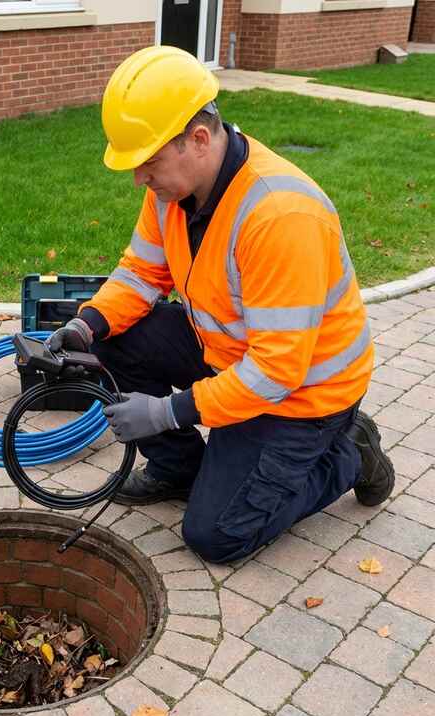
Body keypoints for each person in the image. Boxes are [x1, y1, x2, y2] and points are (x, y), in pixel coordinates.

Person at [46, 45, 394, 564]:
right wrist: (86, 325)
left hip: (303, 394)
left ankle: (347, 452)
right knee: (114, 338)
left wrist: (166, 411)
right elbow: (142, 273)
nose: (139, 177)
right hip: (230, 353)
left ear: (199, 139)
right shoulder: (172, 190)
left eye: (148, 162)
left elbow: (278, 370)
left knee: (217, 536)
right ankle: (179, 469)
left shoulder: (280, 216)